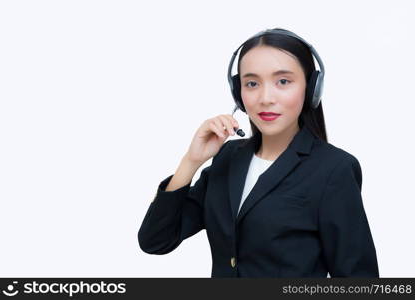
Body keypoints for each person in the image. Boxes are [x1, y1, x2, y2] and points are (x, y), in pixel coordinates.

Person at [138, 28, 379, 278]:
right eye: (252, 83)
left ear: (310, 88)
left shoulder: (334, 169)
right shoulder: (227, 158)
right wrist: (191, 161)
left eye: (283, 81)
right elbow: (156, 240)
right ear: (238, 93)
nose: (265, 98)